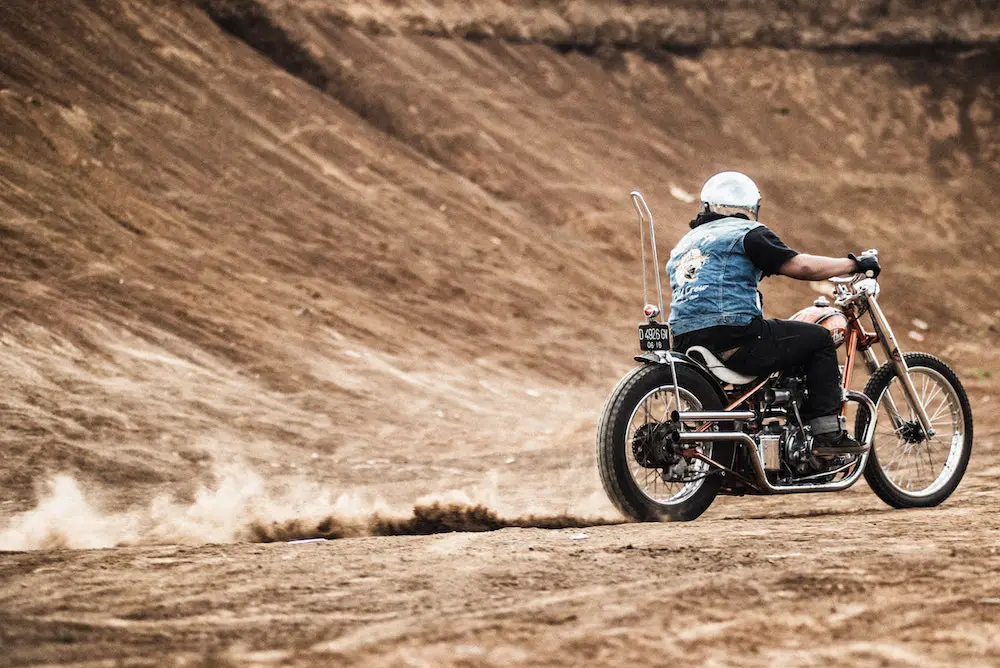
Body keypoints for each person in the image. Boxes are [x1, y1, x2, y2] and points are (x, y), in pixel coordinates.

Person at [666, 171, 880, 455]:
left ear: (707, 206)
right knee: (818, 339)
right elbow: (800, 266)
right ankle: (828, 435)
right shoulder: (746, 234)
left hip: (683, 339)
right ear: (750, 208)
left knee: (785, 343)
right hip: (735, 335)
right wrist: (853, 264)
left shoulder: (686, 243)